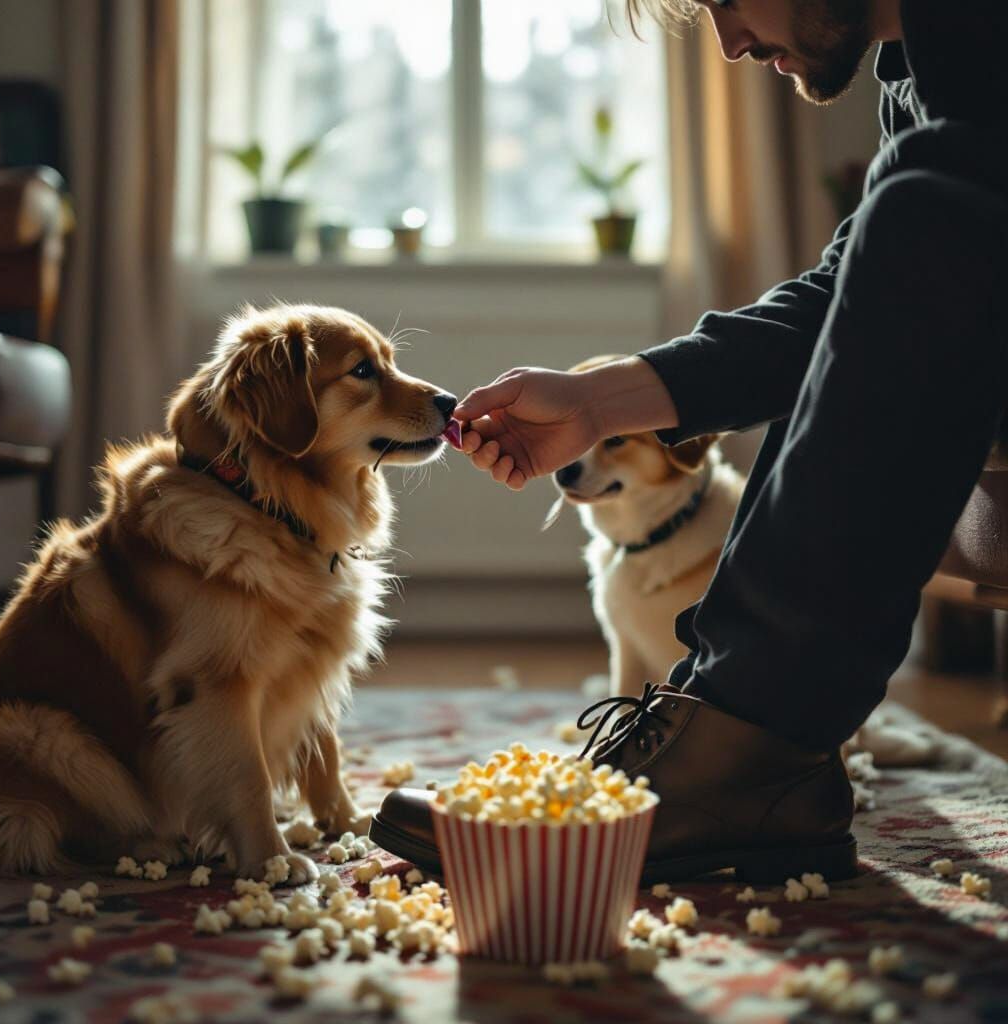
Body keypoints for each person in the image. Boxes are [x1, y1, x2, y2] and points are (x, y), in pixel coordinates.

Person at [368, 0, 1007, 882]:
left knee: (921, 206)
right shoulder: (924, 71)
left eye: (727, 0)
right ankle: (735, 734)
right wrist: (599, 401)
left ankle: (744, 744)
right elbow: (851, 296)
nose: (731, 41)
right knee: (912, 215)